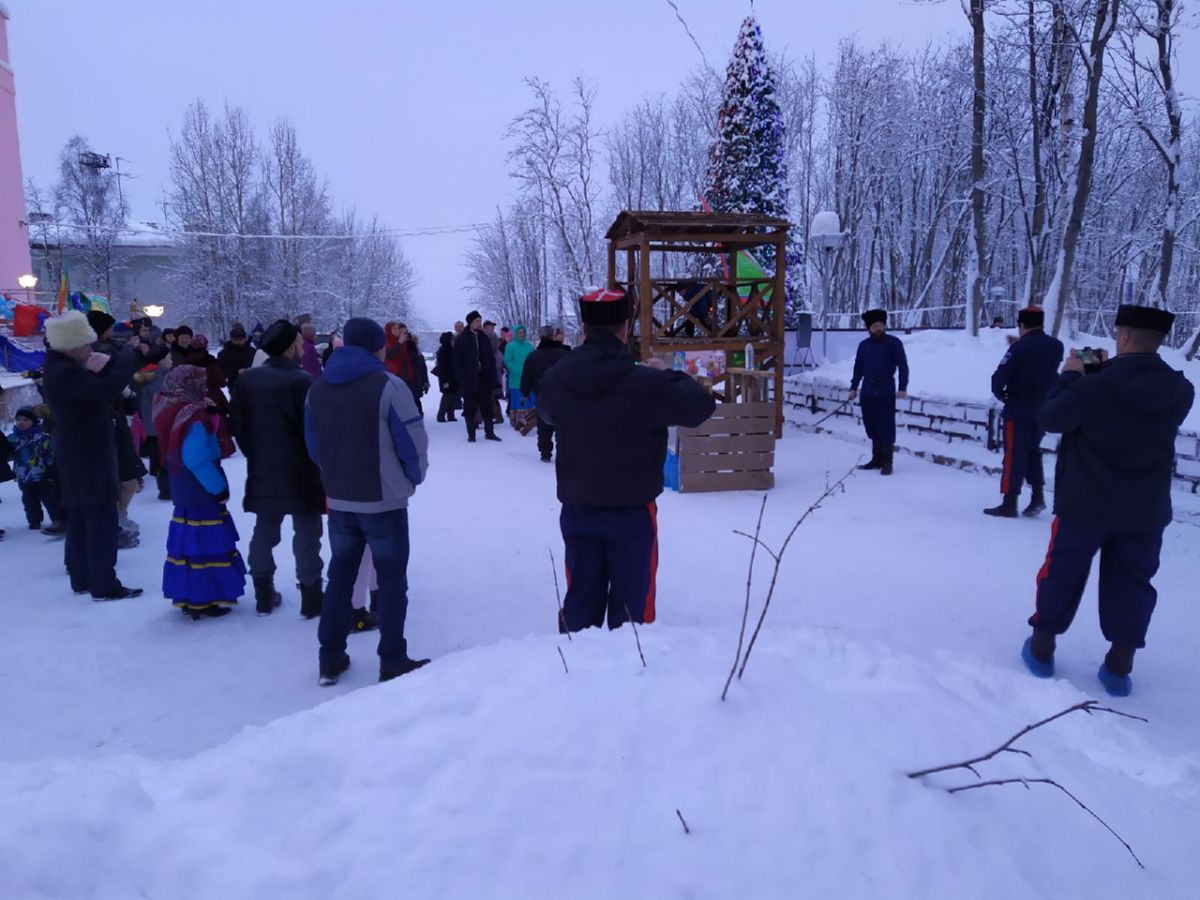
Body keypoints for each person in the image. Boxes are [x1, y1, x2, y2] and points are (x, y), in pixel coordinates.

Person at [1021, 304, 1194, 697]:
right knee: (1133, 582)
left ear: (1125, 336)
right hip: (1145, 510)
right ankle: (1119, 665)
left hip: (1085, 504)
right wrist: (1097, 373)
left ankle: (1043, 647)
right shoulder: (1181, 389)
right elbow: (1129, 407)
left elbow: (1052, 417)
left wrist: (1071, 373)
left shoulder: (1095, 387)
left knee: (1062, 571)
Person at [537, 288, 715, 632]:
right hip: (633, 515)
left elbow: (546, 414)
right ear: (624, 329)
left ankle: (573, 677)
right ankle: (630, 679)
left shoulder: (557, 379)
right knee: (633, 617)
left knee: (580, 611)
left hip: (579, 511)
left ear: (584, 330)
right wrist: (666, 373)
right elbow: (700, 407)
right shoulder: (647, 383)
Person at [305, 317, 431, 686]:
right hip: (384, 501)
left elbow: (314, 447)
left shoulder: (318, 388)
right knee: (391, 581)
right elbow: (412, 443)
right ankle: (392, 658)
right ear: (378, 347)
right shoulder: (389, 386)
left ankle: (330, 657)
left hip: (340, 498)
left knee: (340, 577)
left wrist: (336, 474)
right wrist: (412, 478)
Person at [41, 311, 143, 600]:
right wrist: (125, 360)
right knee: (101, 518)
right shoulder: (65, 372)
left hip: (78, 452)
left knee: (81, 517)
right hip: (87, 454)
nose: (90, 350)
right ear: (71, 345)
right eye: (87, 344)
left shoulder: (60, 367)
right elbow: (104, 390)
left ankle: (83, 578)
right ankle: (104, 584)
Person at [230, 319, 326, 618]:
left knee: (265, 529)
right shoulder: (303, 382)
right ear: (289, 349)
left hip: (263, 468)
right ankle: (311, 597)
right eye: (298, 343)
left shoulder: (246, 381)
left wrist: (255, 454)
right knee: (307, 534)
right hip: (302, 471)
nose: (302, 348)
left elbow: (239, 426)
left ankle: (263, 593)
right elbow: (314, 430)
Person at [154, 365, 247, 620]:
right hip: (199, 488)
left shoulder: (171, 408)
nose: (204, 388)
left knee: (189, 543)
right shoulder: (192, 418)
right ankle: (206, 597)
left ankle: (189, 595)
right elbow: (196, 458)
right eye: (200, 383)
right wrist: (217, 488)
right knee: (207, 542)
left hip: (183, 486)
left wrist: (211, 414)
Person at [985, 307, 1064, 518]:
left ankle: (1009, 502)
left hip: (1019, 407)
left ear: (1022, 325)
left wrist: (1000, 395)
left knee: (1014, 454)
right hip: (1043, 408)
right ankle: (1038, 497)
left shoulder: (1019, 347)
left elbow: (1000, 376)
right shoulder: (1056, 346)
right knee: (1032, 451)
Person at [848, 309, 909, 476]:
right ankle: (876, 459)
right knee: (872, 424)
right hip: (867, 389)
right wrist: (853, 387)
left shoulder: (894, 343)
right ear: (869, 328)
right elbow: (858, 368)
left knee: (886, 425)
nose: (879, 328)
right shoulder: (864, 346)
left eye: (881, 325)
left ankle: (887, 461)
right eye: (876, 326)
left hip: (885, 388)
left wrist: (902, 387)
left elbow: (903, 366)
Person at [7, 407, 65, 534]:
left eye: (26, 420)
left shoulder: (41, 438)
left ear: (33, 422)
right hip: (24, 476)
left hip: (43, 474)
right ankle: (34, 521)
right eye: (18, 419)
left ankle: (58, 519)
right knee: (29, 500)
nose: (21, 422)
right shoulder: (13, 439)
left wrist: (51, 470)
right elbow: (8, 453)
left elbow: (49, 454)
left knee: (50, 499)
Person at [521, 325, 570, 462]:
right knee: (562, 426)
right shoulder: (564, 355)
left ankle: (545, 452)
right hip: (563, 397)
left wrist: (525, 392)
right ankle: (563, 453)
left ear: (540, 337)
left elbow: (526, 378)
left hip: (542, 396)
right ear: (553, 336)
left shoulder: (532, 357)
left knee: (543, 425)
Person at [453, 311, 501, 442]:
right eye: (477, 321)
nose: (479, 324)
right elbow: (457, 361)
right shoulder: (462, 339)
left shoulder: (483, 338)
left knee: (487, 406)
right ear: (470, 323)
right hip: (470, 378)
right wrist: (462, 379)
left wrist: (493, 377)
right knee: (470, 407)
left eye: (480, 321)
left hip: (484, 378)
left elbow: (490, 358)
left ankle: (489, 432)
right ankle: (471, 434)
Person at [134, 352, 174, 500]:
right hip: (160, 424)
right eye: (169, 357)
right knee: (164, 457)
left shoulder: (149, 373)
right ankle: (167, 490)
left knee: (159, 456)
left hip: (152, 424)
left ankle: (166, 488)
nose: (171, 360)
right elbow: (164, 399)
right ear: (161, 360)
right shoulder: (158, 376)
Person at [503, 324, 535, 422]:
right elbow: (507, 360)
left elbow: (533, 359)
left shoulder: (529, 346)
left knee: (530, 398)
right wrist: (516, 370)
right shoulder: (510, 346)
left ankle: (530, 420)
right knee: (517, 400)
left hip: (528, 378)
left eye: (523, 332)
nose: (521, 334)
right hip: (515, 379)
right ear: (516, 333)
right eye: (519, 332)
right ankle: (517, 420)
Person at [217, 325, 257, 390]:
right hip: (235, 385)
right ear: (232, 339)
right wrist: (236, 371)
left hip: (253, 384)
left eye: (241, 339)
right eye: (236, 339)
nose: (239, 341)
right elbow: (221, 370)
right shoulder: (224, 353)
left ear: (245, 338)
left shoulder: (252, 351)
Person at [432, 331, 459, 423]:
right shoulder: (444, 351)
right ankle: (441, 415)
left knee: (452, 396)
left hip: (453, 376)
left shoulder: (451, 350)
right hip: (447, 377)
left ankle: (450, 415)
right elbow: (442, 368)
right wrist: (444, 380)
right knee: (447, 397)